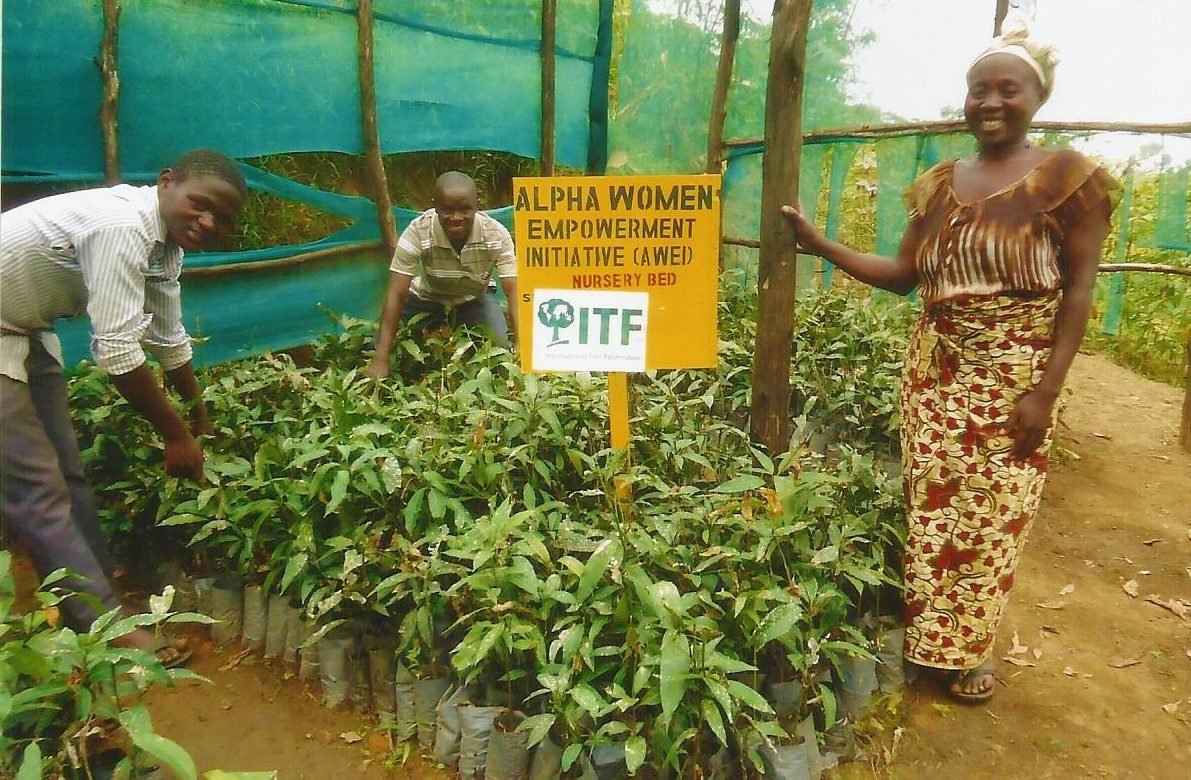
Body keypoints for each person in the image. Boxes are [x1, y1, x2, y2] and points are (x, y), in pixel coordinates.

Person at [781, 20, 1119, 703]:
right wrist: (821, 245)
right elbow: (904, 273)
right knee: (932, 508)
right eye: (977, 91)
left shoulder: (1068, 181)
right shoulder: (939, 185)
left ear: (1036, 96)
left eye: (1006, 89)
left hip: (1013, 379)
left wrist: (1043, 395)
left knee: (993, 516)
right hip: (933, 374)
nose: (989, 102)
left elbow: (1078, 293)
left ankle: (968, 649)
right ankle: (929, 640)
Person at [1, 148, 246, 665]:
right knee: (37, 487)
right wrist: (176, 435)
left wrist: (197, 412)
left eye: (220, 218)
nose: (206, 222)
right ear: (166, 182)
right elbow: (116, 353)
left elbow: (167, 335)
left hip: (24, 327)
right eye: (200, 205)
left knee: (69, 473)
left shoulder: (164, 247)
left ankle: (97, 597)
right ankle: (104, 626)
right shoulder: (120, 227)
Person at [365, 171, 519, 379]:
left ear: (477, 205)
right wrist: (381, 359)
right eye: (448, 210)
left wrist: (521, 346)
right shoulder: (418, 231)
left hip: (474, 299)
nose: (456, 218)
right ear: (435, 206)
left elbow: (513, 291)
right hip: (426, 299)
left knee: (500, 353)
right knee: (376, 345)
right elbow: (397, 293)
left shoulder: (495, 234)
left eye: (465, 210)